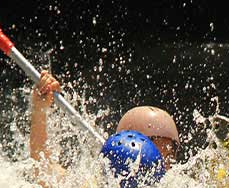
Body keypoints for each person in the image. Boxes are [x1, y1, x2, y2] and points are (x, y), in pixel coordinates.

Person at [30, 69, 181, 171]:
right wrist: (39, 109)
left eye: (167, 160)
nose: (161, 169)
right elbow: (44, 167)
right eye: (152, 158)